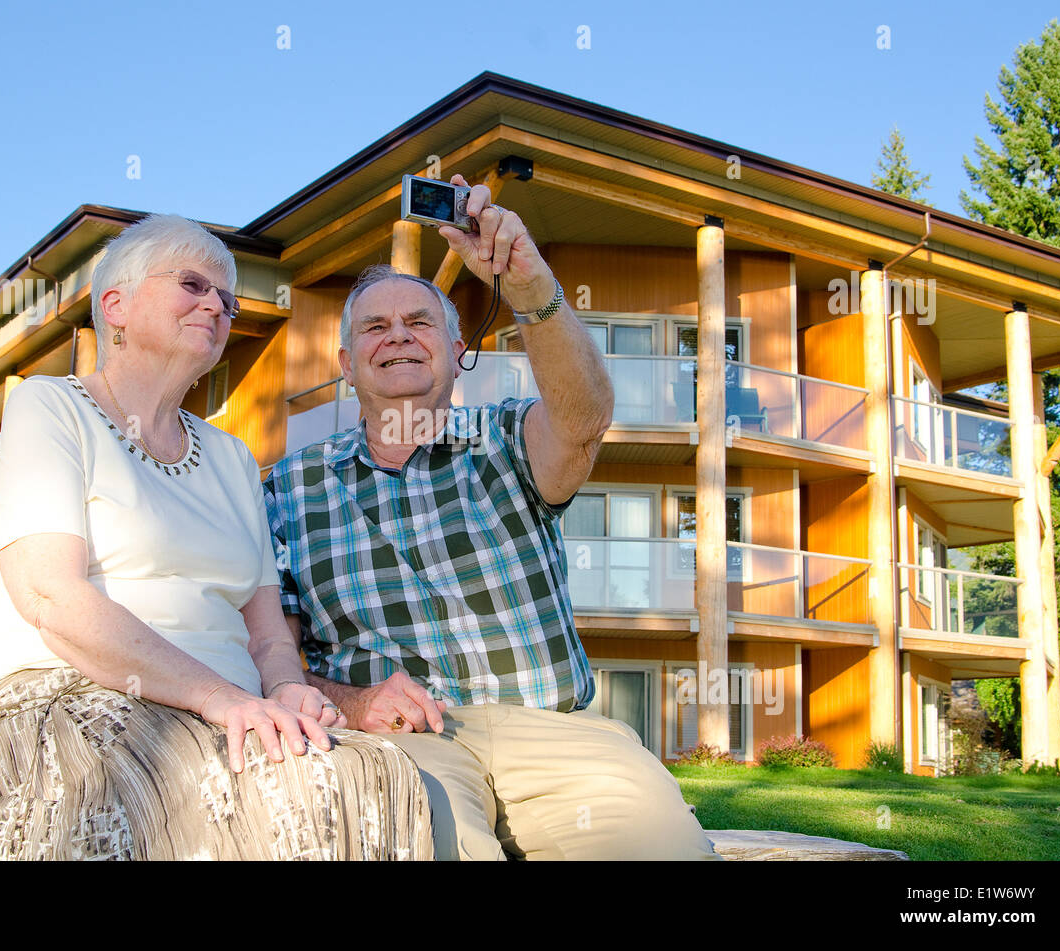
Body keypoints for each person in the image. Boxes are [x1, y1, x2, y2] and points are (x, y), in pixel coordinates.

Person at [0, 214, 432, 860]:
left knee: (376, 776)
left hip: (215, 711)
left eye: (227, 299)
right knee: (240, 789)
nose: (216, 306)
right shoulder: (49, 409)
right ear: (116, 305)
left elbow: (269, 634)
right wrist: (219, 697)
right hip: (56, 692)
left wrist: (283, 689)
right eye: (193, 285)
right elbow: (51, 599)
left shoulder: (232, 459)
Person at [264, 176, 719, 860]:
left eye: (420, 323)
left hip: (555, 734)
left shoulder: (505, 437)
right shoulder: (291, 485)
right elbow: (276, 656)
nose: (398, 337)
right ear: (347, 365)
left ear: (457, 355)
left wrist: (530, 285)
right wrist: (354, 705)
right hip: (404, 744)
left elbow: (586, 416)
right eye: (375, 327)